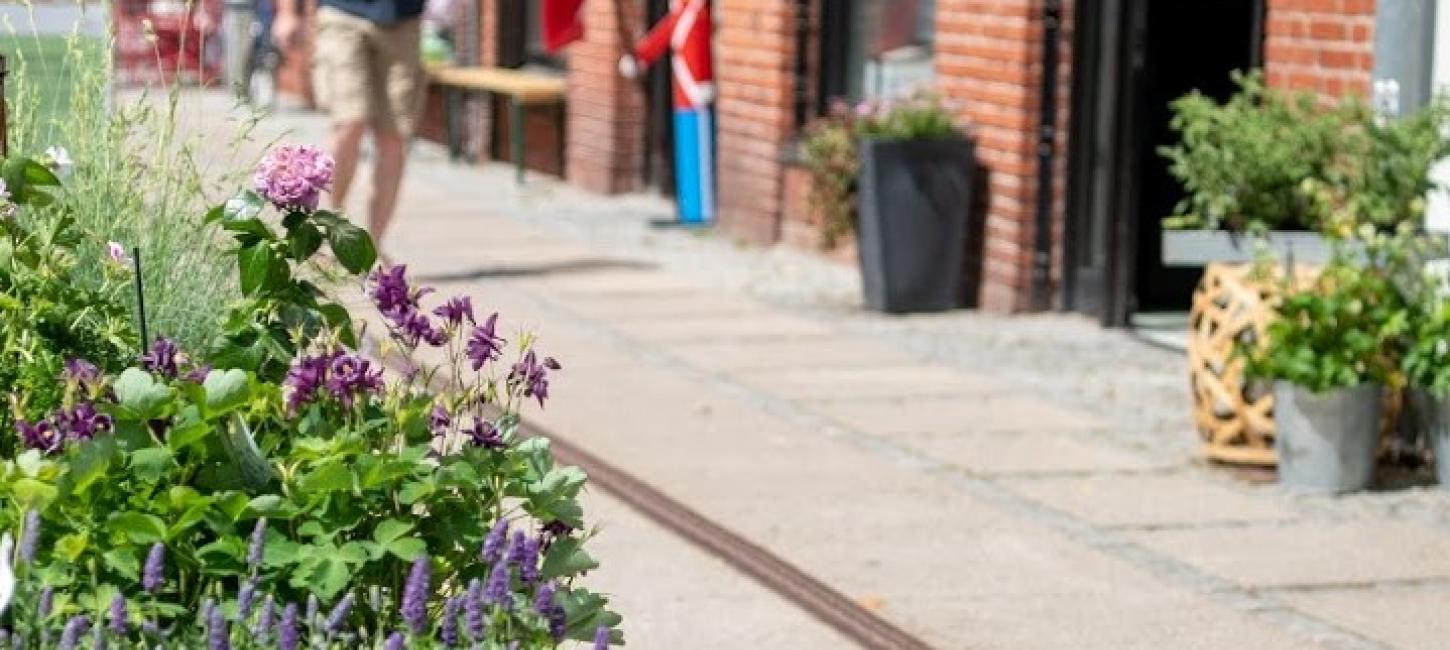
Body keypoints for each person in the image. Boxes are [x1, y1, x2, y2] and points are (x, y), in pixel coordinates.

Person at [272, 0, 424, 260]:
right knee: (350, 122)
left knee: (394, 136)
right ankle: (331, 228)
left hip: (404, 20)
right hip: (342, 14)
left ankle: (372, 248)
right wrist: (288, 12)